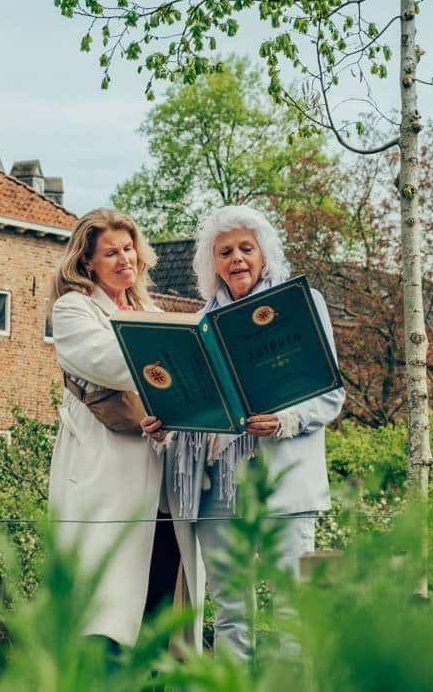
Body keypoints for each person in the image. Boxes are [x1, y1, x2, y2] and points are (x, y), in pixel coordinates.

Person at [145, 204, 344, 658]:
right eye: (225, 251)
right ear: (212, 263)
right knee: (232, 612)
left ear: (264, 253)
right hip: (216, 487)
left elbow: (332, 396)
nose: (236, 259)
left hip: (282, 481)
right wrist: (166, 423)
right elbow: (196, 404)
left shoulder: (302, 306)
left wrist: (285, 420)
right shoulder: (200, 324)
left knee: (293, 611)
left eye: (245, 248)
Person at [47, 207, 204, 650]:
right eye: (111, 252)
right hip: (105, 484)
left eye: (129, 248)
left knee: (158, 616)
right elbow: (112, 362)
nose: (124, 260)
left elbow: (172, 396)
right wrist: (183, 359)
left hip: (160, 494)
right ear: (87, 263)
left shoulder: (149, 310)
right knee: (104, 619)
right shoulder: (74, 309)